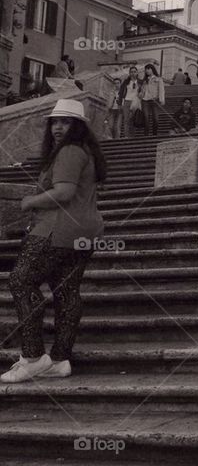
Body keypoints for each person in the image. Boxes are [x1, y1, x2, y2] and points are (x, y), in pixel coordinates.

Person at [3, 99, 107, 383]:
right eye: (55, 121)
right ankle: (60, 360)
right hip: (85, 231)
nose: (58, 127)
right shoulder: (85, 151)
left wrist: (29, 202)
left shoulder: (70, 151)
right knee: (67, 292)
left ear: (78, 127)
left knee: (21, 280)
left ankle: (33, 357)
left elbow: (63, 192)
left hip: (57, 229)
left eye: (65, 122)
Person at [140, 63, 166, 137]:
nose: (147, 71)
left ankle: (154, 134)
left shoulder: (158, 79)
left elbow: (161, 90)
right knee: (146, 118)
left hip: (154, 100)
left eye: (148, 69)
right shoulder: (145, 80)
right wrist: (140, 95)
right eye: (146, 70)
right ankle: (146, 135)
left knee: (156, 118)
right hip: (145, 100)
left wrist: (162, 99)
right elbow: (142, 91)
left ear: (152, 69)